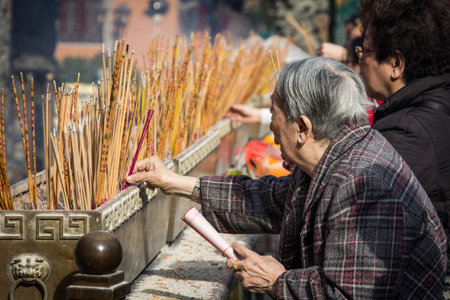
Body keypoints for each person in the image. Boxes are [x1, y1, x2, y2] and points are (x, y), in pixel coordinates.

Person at [127, 57, 447, 298]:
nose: (270, 127)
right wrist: (173, 181)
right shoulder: (336, 152)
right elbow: (270, 199)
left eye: (275, 114)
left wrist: (278, 282)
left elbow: (349, 294)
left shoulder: (365, 184)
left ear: (303, 128)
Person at [358, 1, 450, 293]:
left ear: (396, 64)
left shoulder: (408, 133)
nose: (360, 60)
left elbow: (355, 211)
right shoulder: (435, 106)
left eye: (366, 50)